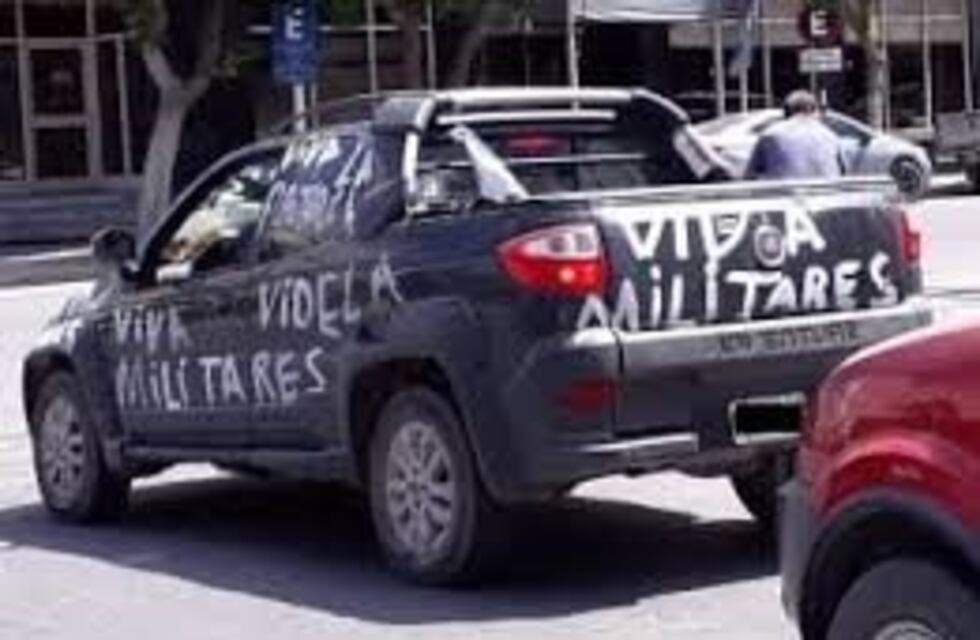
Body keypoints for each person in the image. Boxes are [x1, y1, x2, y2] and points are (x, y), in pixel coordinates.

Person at [746, 90, 845, 180]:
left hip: (785, 196)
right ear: (813, 111)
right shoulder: (830, 136)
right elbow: (841, 171)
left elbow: (750, 174)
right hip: (827, 195)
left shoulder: (771, 135)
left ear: (785, 112)